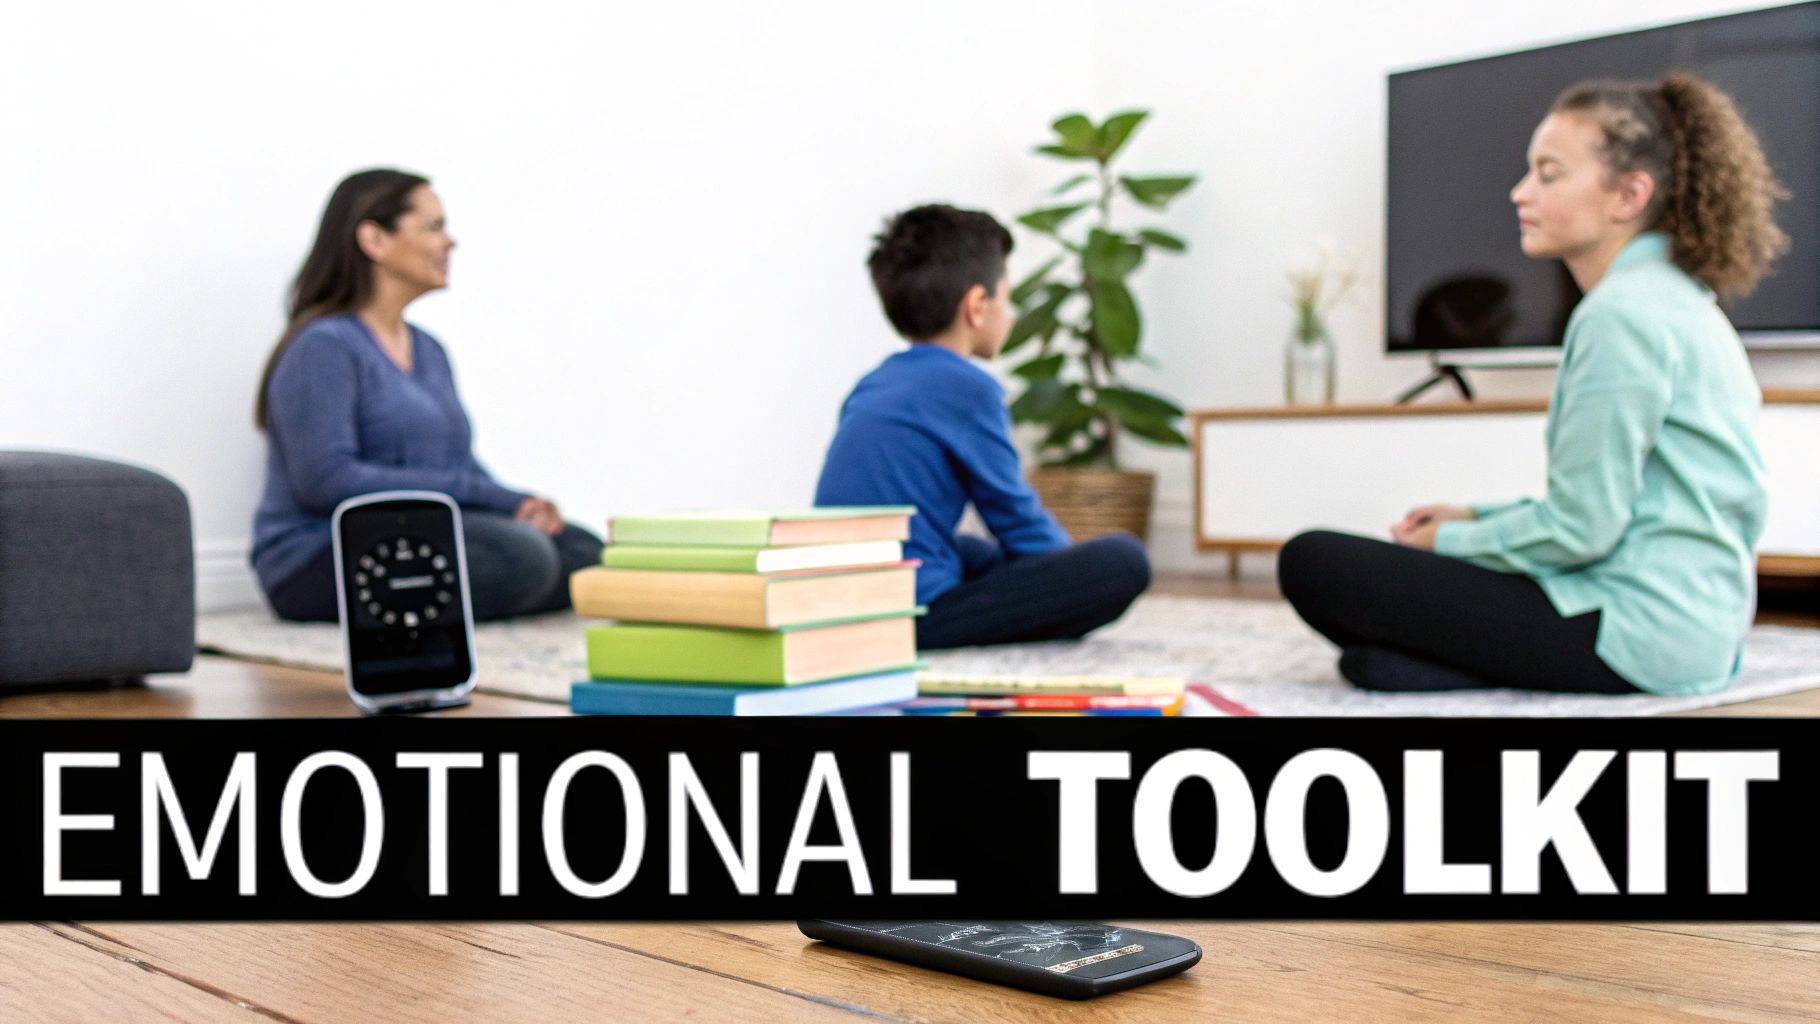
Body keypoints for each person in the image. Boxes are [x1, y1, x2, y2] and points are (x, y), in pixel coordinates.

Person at [1279, 72, 1787, 696]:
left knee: (1313, 561)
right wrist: (1478, 514)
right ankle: (1424, 667)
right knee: (1377, 662)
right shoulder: (1679, 300)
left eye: (1549, 174)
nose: (1521, 192)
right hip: (1696, 632)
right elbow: (1624, 508)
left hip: (1634, 632)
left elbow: (1581, 530)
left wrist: (1451, 540)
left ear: (1629, 194)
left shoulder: (1619, 317)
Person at [251, 169, 601, 622]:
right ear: (375, 240)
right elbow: (327, 482)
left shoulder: (430, 351)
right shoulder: (325, 347)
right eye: (434, 227)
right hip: (316, 556)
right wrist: (491, 501)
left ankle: (465, 594)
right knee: (524, 556)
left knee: (581, 549)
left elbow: (458, 464)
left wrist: (518, 502)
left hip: (415, 535)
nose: (450, 242)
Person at [815, 203, 1150, 650]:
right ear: (977, 306)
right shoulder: (967, 386)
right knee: (1123, 562)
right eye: (1007, 300)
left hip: (832, 596)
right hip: (904, 617)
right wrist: (1066, 574)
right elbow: (1014, 515)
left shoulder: (874, 382)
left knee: (967, 550)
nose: (1010, 315)